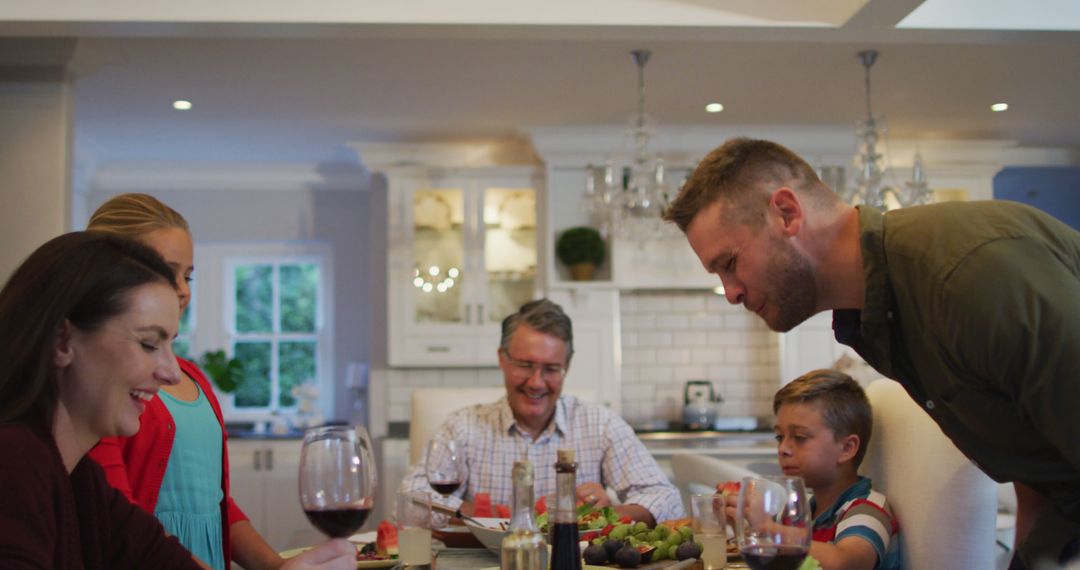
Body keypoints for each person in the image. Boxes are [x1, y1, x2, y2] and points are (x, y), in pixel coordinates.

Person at [663, 136, 1080, 567]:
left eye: (729, 263)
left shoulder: (967, 277)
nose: (730, 293)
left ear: (786, 213)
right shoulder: (875, 319)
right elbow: (1032, 452)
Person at [0, 231, 355, 569]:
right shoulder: (15, 465)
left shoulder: (81, 483)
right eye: (148, 343)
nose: (171, 372)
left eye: (172, 345)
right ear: (63, 341)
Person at [84, 193, 279, 569]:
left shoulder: (193, 378)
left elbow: (216, 501)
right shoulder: (101, 386)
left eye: (187, 275)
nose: (183, 289)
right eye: (164, 272)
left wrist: (277, 566)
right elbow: (119, 521)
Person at [399, 298, 684, 525]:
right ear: (502, 359)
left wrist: (607, 515)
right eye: (525, 365)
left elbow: (668, 500)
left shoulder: (601, 424)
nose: (536, 382)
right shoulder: (462, 427)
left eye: (550, 369)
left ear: (567, 367)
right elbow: (409, 502)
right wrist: (482, 515)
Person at [771, 369, 901, 570]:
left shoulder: (867, 509)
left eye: (799, 437)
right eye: (780, 437)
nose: (783, 449)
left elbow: (845, 562)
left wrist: (767, 531)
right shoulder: (797, 512)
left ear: (847, 448)